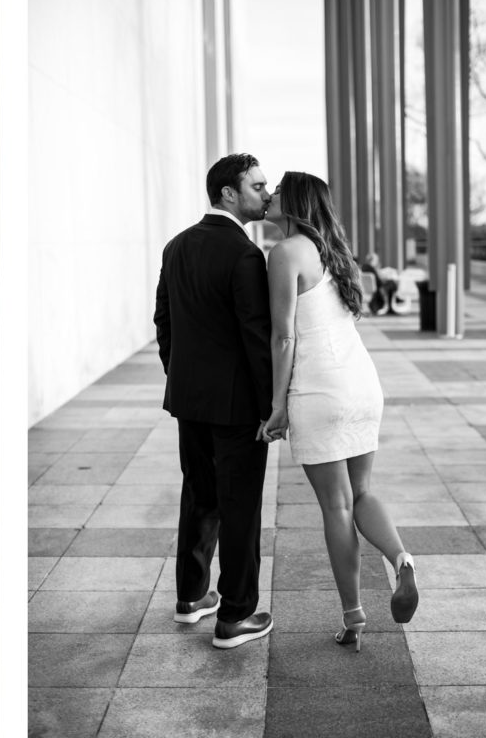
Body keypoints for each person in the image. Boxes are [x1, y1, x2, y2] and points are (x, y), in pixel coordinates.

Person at [262, 171, 418, 652]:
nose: (268, 195)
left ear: (295, 202)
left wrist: (276, 404)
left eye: (276, 190)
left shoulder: (285, 253)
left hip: (320, 389)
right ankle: (402, 560)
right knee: (363, 492)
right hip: (361, 383)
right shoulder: (334, 252)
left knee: (336, 505)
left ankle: (354, 619)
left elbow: (285, 336)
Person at [153, 153, 275, 649]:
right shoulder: (245, 256)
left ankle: (191, 598)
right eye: (259, 186)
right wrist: (271, 406)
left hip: (188, 399)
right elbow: (256, 337)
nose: (267, 194)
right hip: (238, 407)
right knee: (240, 506)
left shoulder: (177, 246)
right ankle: (235, 616)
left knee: (199, 495)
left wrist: (179, 374)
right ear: (229, 193)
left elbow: (162, 319)